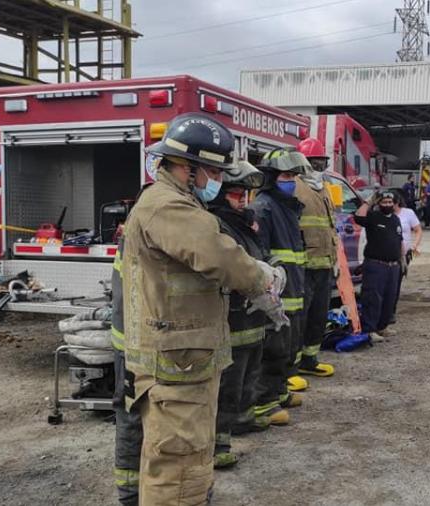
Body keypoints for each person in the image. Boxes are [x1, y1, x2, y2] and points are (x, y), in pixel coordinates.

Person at [121, 113, 285, 504]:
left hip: (183, 359)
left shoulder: (173, 201)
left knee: (186, 461)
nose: (218, 180)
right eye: (212, 170)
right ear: (187, 167)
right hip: (176, 365)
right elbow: (218, 254)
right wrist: (262, 279)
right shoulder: (168, 207)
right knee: (179, 468)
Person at [208, 161, 272, 469]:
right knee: (227, 383)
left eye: (246, 194)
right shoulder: (217, 224)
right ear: (221, 196)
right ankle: (218, 442)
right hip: (231, 316)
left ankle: (245, 417)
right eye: (236, 194)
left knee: (250, 371)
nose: (243, 200)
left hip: (253, 314)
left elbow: (257, 255)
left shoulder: (246, 222)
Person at [249, 148, 310, 424]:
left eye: (294, 175)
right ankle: (264, 403)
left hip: (294, 290)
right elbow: (261, 255)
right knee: (272, 351)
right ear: (271, 178)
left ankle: (279, 391)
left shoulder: (287, 206)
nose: (292, 181)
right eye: (286, 175)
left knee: (287, 348)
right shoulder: (264, 207)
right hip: (277, 293)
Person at [111, 181, 153, 506]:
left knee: (137, 416)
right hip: (133, 344)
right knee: (132, 416)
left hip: (134, 340)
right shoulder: (140, 236)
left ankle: (138, 490)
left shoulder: (134, 232)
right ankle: (129, 493)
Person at [295, 138, 338, 378]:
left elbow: (330, 227)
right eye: (315, 162)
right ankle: (291, 365)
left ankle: (310, 358)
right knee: (299, 318)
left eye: (322, 162)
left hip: (325, 265)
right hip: (304, 266)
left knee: (318, 316)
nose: (319, 167)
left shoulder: (323, 189)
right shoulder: (295, 187)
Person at [353, 191, 403, 343]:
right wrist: (369, 201)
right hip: (376, 265)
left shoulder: (395, 219)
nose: (387, 205)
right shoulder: (373, 217)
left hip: (393, 266)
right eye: (384, 202)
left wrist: (402, 261)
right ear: (379, 204)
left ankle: (382, 327)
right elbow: (358, 216)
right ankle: (369, 329)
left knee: (389, 298)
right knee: (372, 298)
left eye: (390, 203)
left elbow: (399, 240)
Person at [393, 193, 422, 316]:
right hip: (385, 254)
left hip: (403, 255)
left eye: (392, 202)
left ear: (397, 202)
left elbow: (418, 230)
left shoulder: (408, 213)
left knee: (396, 282)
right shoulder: (383, 215)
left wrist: (414, 245)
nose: (389, 205)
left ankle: (391, 310)